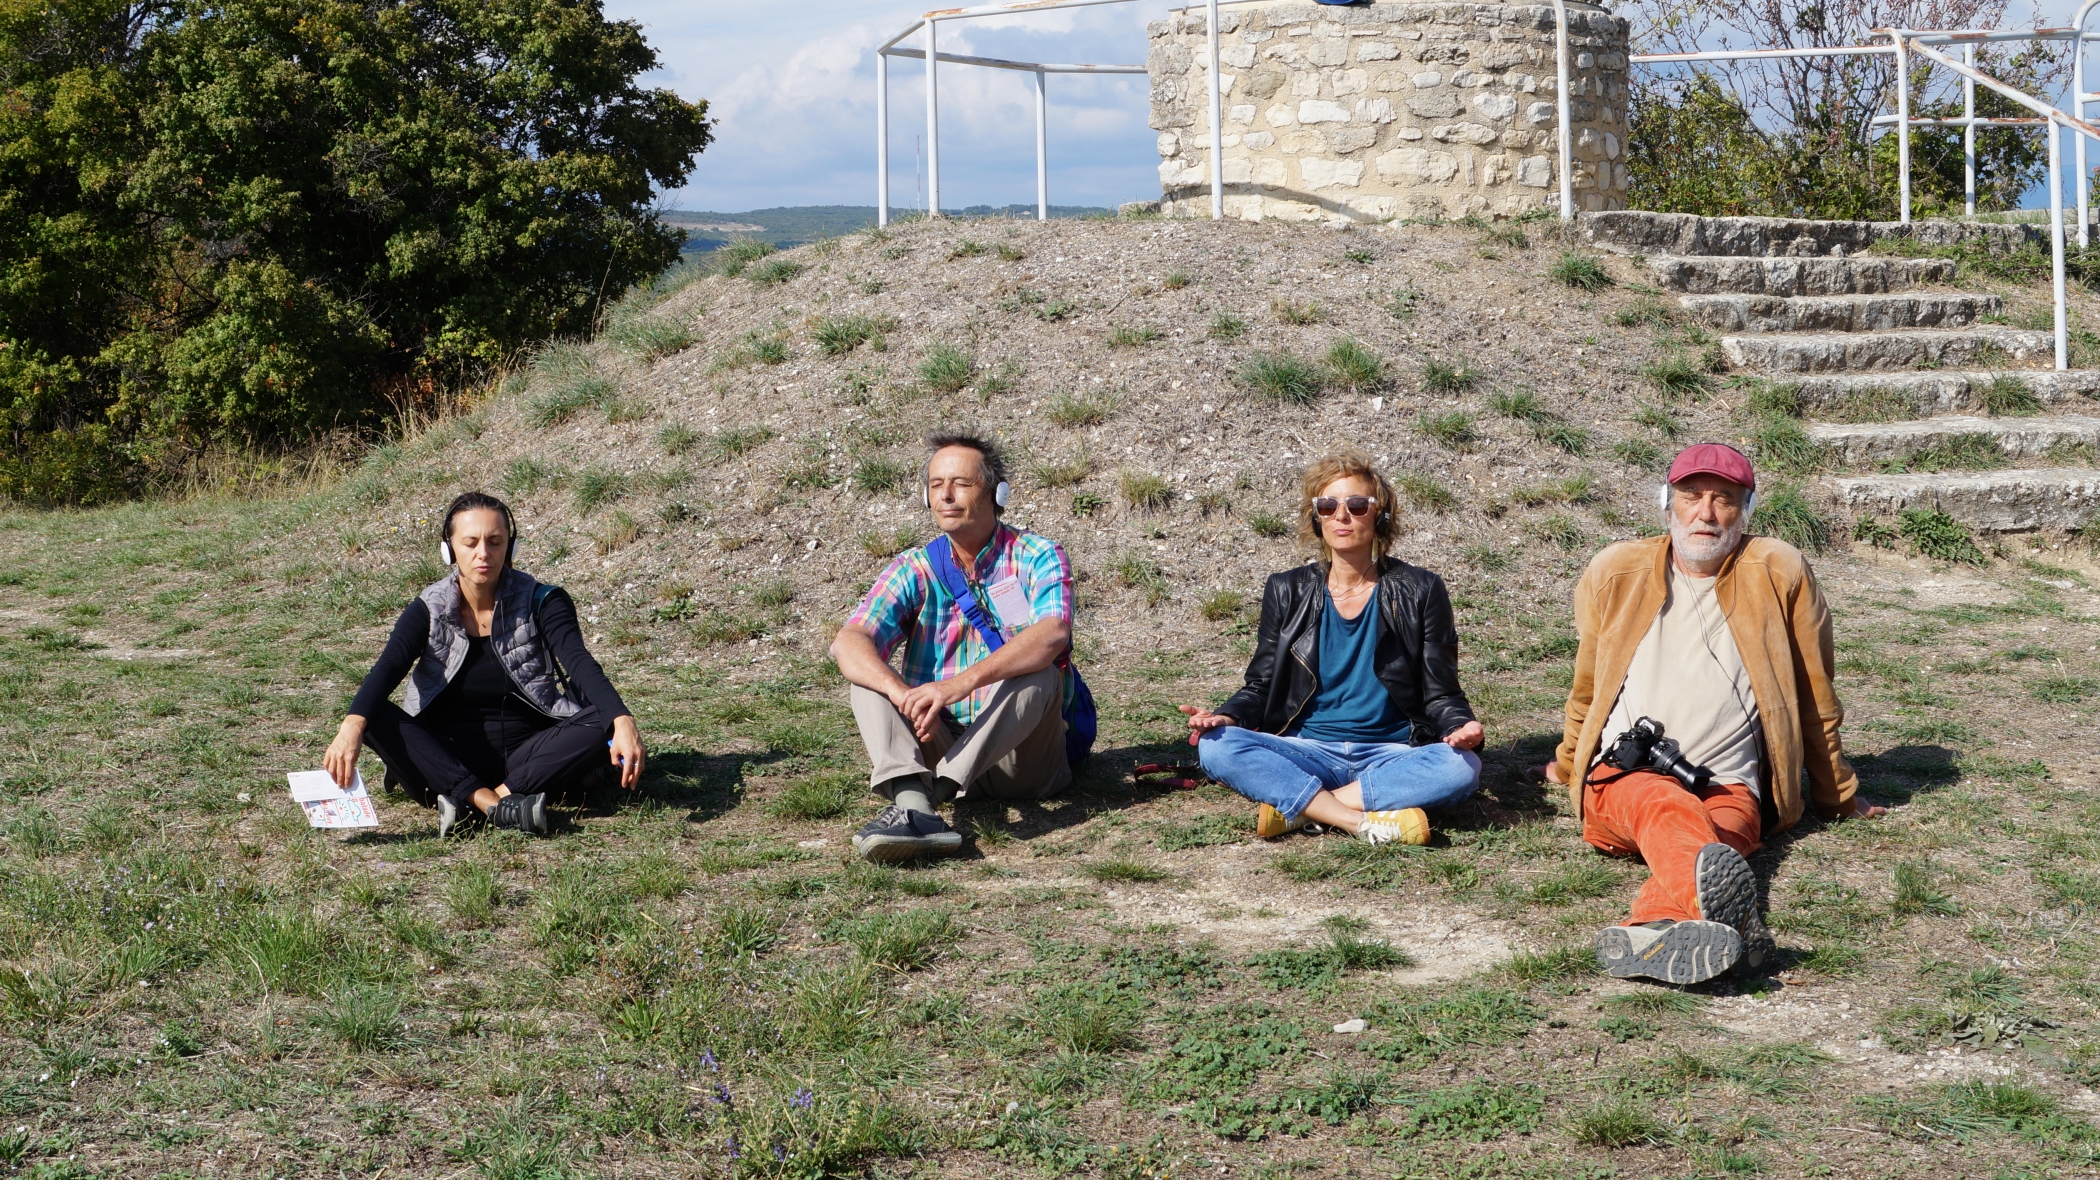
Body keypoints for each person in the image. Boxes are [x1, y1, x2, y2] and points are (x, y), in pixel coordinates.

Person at [1542, 443, 1884, 986]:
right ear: (1667, 503)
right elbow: (1587, 686)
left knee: (1712, 851)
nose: (1705, 513)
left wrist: (1836, 796)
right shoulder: (1617, 571)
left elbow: (1815, 695)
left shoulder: (1778, 570)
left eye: (1723, 499)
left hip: (1729, 785)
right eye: (1691, 497)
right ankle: (1736, 931)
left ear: (1745, 510)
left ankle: (1654, 930)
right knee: (1663, 803)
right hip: (1625, 779)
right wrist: (1567, 763)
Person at [1181, 449, 1484, 845]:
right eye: (1327, 505)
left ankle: (1305, 810)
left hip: (1390, 752)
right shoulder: (1287, 589)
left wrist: (1461, 727)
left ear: (1380, 516)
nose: (1342, 516)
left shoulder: (1421, 589)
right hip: (1308, 750)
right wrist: (1226, 717)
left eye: (1357, 505)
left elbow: (1441, 690)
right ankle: (1358, 821)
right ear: (1316, 516)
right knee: (1218, 747)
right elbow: (1261, 685)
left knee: (1461, 767)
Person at [323, 491, 646, 837]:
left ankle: (477, 804)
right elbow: (387, 667)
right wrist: (351, 728)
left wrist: (621, 720)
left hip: (529, 755)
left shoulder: (543, 601)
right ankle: (495, 805)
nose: (483, 554)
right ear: (449, 550)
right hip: (445, 759)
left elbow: (579, 661)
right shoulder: (427, 608)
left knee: (604, 714)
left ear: (511, 547)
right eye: (470, 542)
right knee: (370, 715)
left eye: (495, 542)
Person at [831, 432, 1079, 863]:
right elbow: (849, 641)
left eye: (961, 483)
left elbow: (1052, 632)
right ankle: (916, 803)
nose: (945, 495)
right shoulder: (914, 566)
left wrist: (955, 686)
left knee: (1040, 668)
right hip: (937, 741)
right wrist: (901, 694)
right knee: (867, 677)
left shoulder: (1038, 554)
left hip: (1020, 760)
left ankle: (936, 793)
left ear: (996, 492)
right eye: (935, 485)